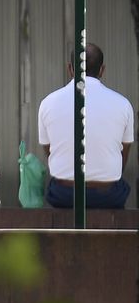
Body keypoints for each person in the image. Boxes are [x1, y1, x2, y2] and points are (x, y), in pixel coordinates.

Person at [38, 43, 133, 210]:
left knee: (54, 184)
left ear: (70, 68)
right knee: (121, 185)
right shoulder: (123, 104)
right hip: (108, 195)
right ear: (102, 70)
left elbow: (49, 151)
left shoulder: (48, 103)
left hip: (65, 195)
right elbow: (123, 155)